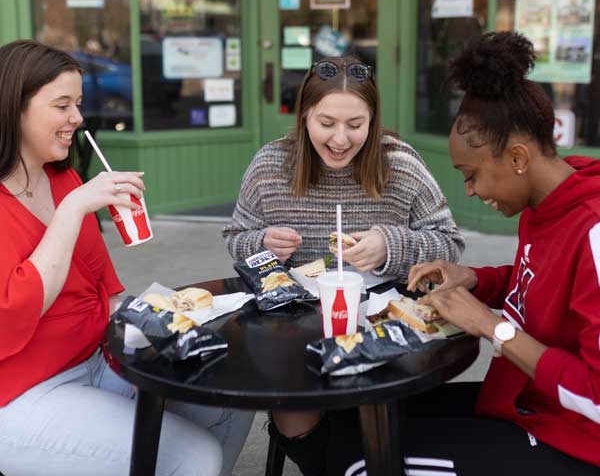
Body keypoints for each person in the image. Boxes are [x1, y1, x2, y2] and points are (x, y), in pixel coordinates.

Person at [287, 31, 600, 476]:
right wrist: (476, 279)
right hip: (525, 400)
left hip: (574, 441)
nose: (470, 191)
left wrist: (492, 327)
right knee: (355, 418)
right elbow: (546, 282)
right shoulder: (545, 203)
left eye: (471, 175)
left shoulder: (592, 228)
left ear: (517, 159)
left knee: (358, 462)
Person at [0, 40, 252, 476]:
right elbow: (13, 314)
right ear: (13, 108)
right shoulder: (67, 197)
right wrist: (73, 210)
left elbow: (107, 289)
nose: (76, 118)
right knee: (193, 456)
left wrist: (176, 319)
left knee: (231, 396)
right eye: (62, 105)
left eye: (77, 104)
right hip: (23, 392)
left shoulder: (63, 179)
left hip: (101, 358)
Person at [223, 54, 464, 461]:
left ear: (372, 120)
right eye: (326, 123)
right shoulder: (270, 165)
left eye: (355, 126)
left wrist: (392, 245)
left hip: (385, 328)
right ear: (304, 117)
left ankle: (362, 456)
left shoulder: (400, 164)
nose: (340, 140)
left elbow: (450, 245)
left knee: (391, 411)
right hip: (295, 327)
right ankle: (329, 462)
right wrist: (261, 241)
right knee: (294, 407)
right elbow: (235, 237)